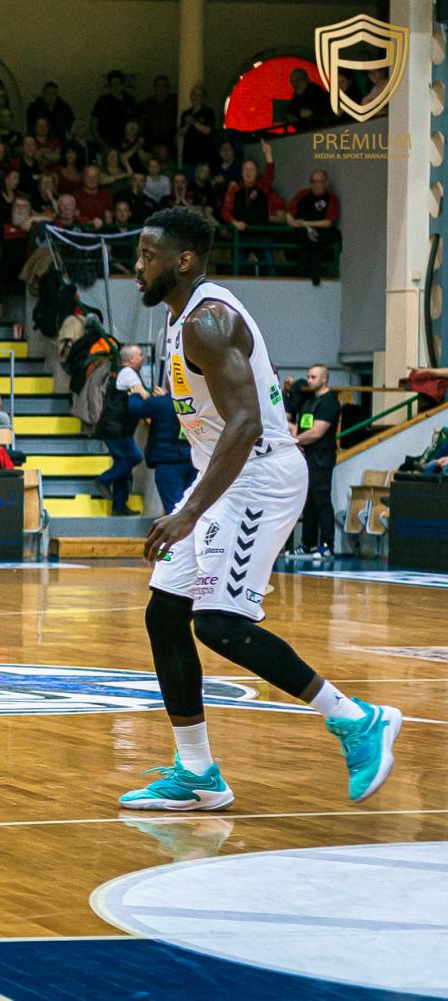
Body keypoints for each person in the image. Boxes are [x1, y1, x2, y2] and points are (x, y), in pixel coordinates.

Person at [125, 206, 401, 812]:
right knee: (165, 616)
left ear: (184, 261)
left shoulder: (209, 321)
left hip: (258, 477)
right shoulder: (180, 318)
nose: (136, 266)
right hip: (223, 475)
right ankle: (197, 772)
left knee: (217, 623)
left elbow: (246, 423)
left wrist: (189, 513)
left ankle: (358, 719)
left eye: (148, 256)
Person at [290, 364, 341, 559]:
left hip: (321, 457)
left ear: (324, 379)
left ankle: (327, 545)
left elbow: (316, 432)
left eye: (313, 377)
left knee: (321, 499)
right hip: (306, 457)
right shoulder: (309, 402)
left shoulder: (329, 402)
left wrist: (295, 440)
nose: (309, 380)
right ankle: (308, 543)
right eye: (308, 376)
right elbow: (301, 428)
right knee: (308, 500)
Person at [94, 344, 148, 515]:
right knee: (134, 457)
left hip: (115, 427)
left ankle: (119, 506)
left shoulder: (122, 373)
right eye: (140, 355)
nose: (143, 358)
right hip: (117, 428)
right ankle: (103, 479)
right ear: (131, 358)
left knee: (122, 465)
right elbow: (143, 394)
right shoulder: (128, 373)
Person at [127, 386, 197, 514]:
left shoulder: (161, 402)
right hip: (193, 461)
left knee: (174, 509)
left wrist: (135, 395)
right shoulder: (195, 403)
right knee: (190, 507)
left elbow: (136, 409)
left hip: (168, 462)